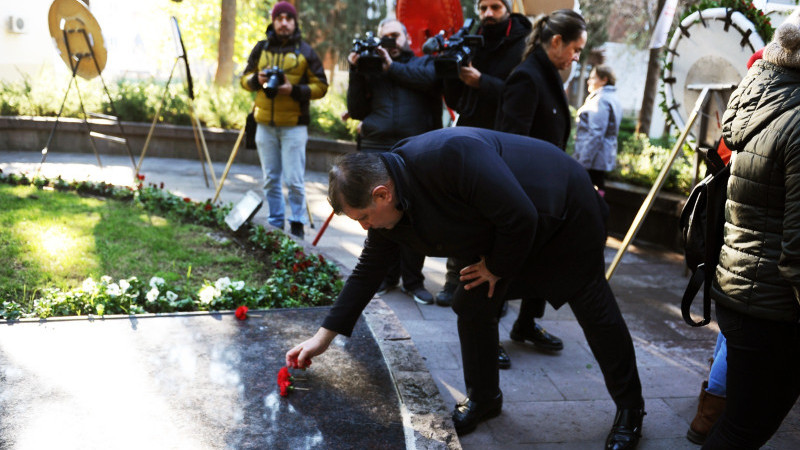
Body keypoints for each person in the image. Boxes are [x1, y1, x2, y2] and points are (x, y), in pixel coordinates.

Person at [286, 127, 645, 448]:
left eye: (363, 217)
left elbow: (521, 216)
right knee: (472, 304)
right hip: (504, 228)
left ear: (382, 194)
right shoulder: (388, 200)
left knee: (593, 307)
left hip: (562, 213)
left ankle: (631, 409)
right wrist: (324, 337)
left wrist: (495, 266)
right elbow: (368, 270)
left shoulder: (448, 155)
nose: (365, 227)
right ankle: (485, 398)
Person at [703, 9, 800, 448]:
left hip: (743, 292)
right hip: (775, 308)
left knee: (739, 424)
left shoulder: (764, 94)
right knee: (744, 430)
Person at [495, 8, 587, 360]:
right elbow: (512, 141)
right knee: (506, 265)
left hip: (545, 192)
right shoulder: (527, 77)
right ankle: (486, 336)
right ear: (556, 41)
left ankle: (526, 324)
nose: (576, 57)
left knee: (544, 263)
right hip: (523, 193)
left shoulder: (548, 75)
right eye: (575, 49)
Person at [346, 18, 441, 305]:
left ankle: (413, 280)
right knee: (376, 214)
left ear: (406, 38)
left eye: (395, 36)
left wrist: (391, 67)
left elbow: (430, 82)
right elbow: (356, 109)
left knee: (414, 213)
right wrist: (355, 71)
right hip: (377, 146)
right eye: (384, 37)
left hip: (414, 149)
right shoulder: (371, 66)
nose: (390, 42)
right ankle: (386, 277)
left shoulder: (422, 64)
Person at [240, 1, 328, 238]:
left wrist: (294, 90)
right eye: (279, 18)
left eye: (288, 18)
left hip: (294, 126)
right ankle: (275, 221)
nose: (284, 23)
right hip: (264, 125)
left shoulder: (306, 51)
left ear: (294, 21)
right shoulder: (260, 48)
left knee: (294, 180)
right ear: (273, 20)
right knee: (270, 179)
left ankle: (297, 222)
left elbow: (321, 86)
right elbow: (244, 79)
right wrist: (256, 80)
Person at [573, 64, 622, 196]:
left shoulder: (601, 100)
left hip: (593, 159)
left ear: (604, 80)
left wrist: (583, 162)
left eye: (593, 78)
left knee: (588, 195)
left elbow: (596, 133)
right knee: (598, 189)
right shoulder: (611, 98)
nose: (588, 81)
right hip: (599, 158)